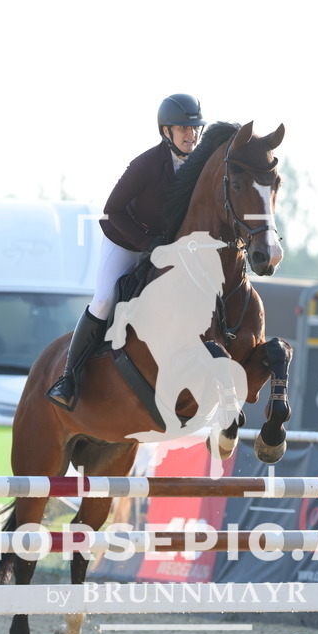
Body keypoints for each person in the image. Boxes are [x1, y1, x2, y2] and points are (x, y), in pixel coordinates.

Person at [46, 93, 205, 409]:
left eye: (195, 128)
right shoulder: (145, 165)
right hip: (126, 241)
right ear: (166, 132)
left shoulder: (201, 166)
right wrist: (146, 245)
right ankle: (68, 378)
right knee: (104, 300)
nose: (191, 135)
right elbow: (111, 211)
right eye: (183, 128)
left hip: (167, 248)